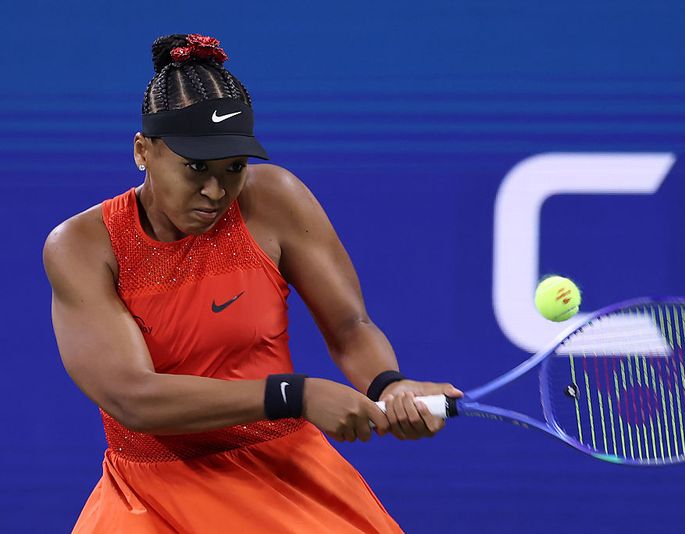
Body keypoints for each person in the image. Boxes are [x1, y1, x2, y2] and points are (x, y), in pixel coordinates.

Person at [43, 33, 462, 533]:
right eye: (195, 168)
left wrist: (389, 385)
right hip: (148, 498)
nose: (216, 191)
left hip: (283, 475)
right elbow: (132, 397)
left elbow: (350, 326)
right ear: (143, 151)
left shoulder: (275, 198)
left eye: (234, 168)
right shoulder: (83, 245)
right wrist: (295, 395)